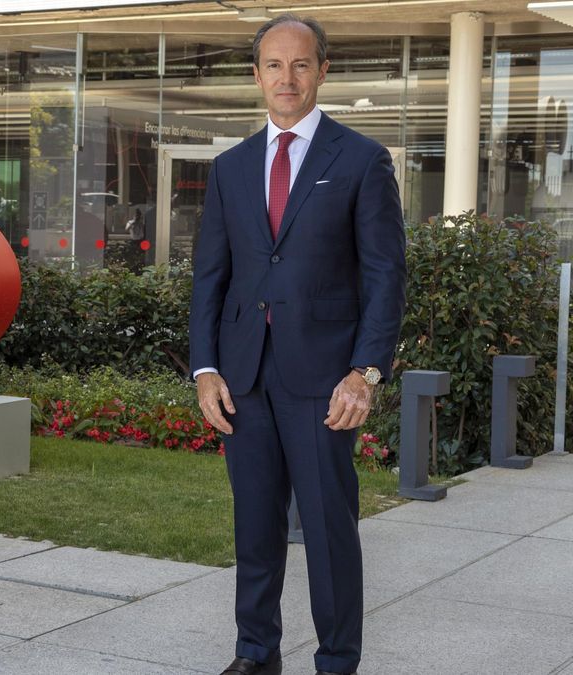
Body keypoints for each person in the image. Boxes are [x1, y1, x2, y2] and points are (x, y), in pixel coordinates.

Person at [188, 15, 406, 675]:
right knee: (254, 528)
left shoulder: (362, 160)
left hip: (323, 379)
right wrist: (204, 367)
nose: (288, 78)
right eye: (274, 66)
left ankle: (337, 659)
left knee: (328, 530)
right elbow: (210, 276)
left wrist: (365, 371)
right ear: (256, 75)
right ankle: (256, 653)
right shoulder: (230, 168)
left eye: (301, 64)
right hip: (243, 376)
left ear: (323, 71)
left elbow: (385, 274)